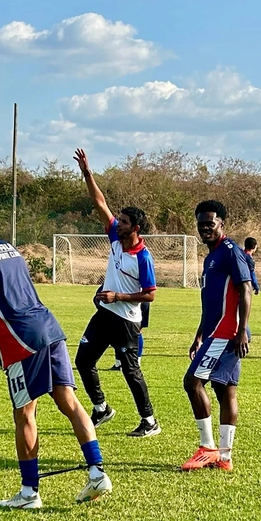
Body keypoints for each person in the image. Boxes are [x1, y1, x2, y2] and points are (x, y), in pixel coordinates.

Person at [0, 207, 112, 509]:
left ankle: (30, 493)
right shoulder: (8, 247)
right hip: (49, 329)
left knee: (25, 414)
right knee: (69, 402)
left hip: (20, 343)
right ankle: (97, 472)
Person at [72, 149, 160, 438]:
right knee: (84, 361)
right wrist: (87, 173)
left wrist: (118, 297)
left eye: (122, 222)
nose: (115, 223)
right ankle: (101, 408)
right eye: (117, 220)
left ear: (134, 228)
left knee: (130, 370)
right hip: (104, 314)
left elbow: (150, 295)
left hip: (126, 321)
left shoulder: (143, 257)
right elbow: (100, 202)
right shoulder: (114, 240)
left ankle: (149, 421)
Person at [181, 200, 253, 472]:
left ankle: (208, 448)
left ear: (222, 223)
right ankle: (225, 457)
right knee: (224, 391)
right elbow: (211, 302)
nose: (205, 229)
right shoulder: (211, 256)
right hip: (215, 332)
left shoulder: (230, 252)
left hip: (227, 333)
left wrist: (241, 330)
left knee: (192, 382)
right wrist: (199, 335)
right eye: (201, 224)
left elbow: (245, 289)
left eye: (210, 224)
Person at [108, 301, 149, 371]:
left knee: (122, 331)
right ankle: (123, 362)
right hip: (141, 300)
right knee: (135, 331)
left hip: (129, 302)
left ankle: (122, 363)